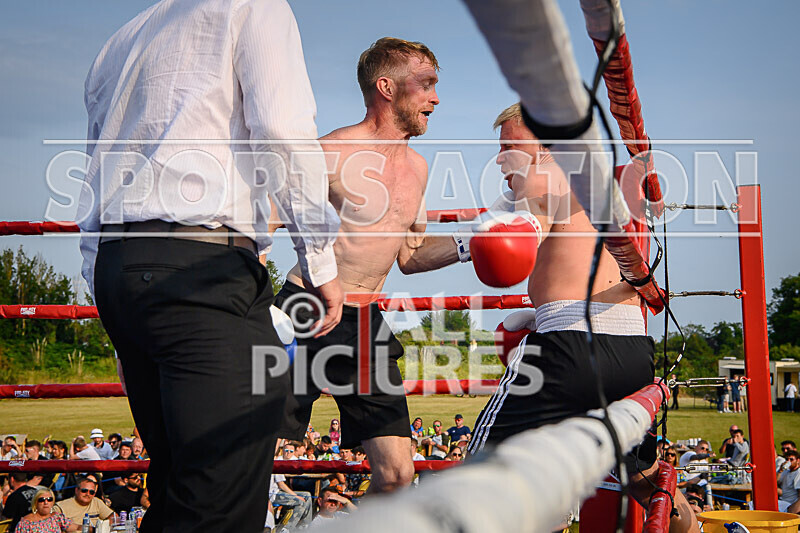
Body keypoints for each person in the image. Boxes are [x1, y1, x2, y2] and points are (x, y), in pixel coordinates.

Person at [76, 1, 344, 531]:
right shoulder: (255, 6)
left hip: (123, 267)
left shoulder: (123, 39)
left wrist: (106, 292)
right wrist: (320, 258)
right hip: (203, 270)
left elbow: (95, 165)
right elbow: (281, 130)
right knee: (216, 501)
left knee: (180, 485)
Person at [465, 104, 699, 532]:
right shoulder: (605, 185)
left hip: (568, 346)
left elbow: (525, 232)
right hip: (631, 350)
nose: (501, 158)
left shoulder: (540, 178)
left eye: (510, 145)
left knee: (478, 469)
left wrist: (506, 241)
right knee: (645, 478)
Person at [275, 37, 454, 495]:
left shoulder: (418, 167)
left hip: (364, 322)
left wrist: (478, 245)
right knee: (262, 458)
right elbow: (263, 226)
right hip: (304, 309)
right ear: (387, 88)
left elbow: (410, 256)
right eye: (427, 84)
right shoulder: (331, 151)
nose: (436, 97)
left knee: (397, 476)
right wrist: (250, 307)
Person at [14, 488, 79, 533]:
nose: (46, 502)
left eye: (49, 499)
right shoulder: (25, 523)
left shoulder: (57, 518)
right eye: (41, 500)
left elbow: (75, 527)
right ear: (36, 503)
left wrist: (88, 528)